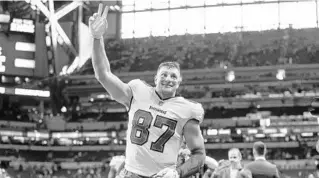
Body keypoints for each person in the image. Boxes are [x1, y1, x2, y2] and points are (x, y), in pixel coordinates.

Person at [89, 4, 206, 178]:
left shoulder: (188, 110)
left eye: (174, 76)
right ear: (155, 79)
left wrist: (177, 173)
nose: (169, 78)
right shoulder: (137, 91)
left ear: (179, 82)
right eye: (164, 74)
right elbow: (103, 74)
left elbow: (199, 154)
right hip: (130, 173)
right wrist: (97, 38)